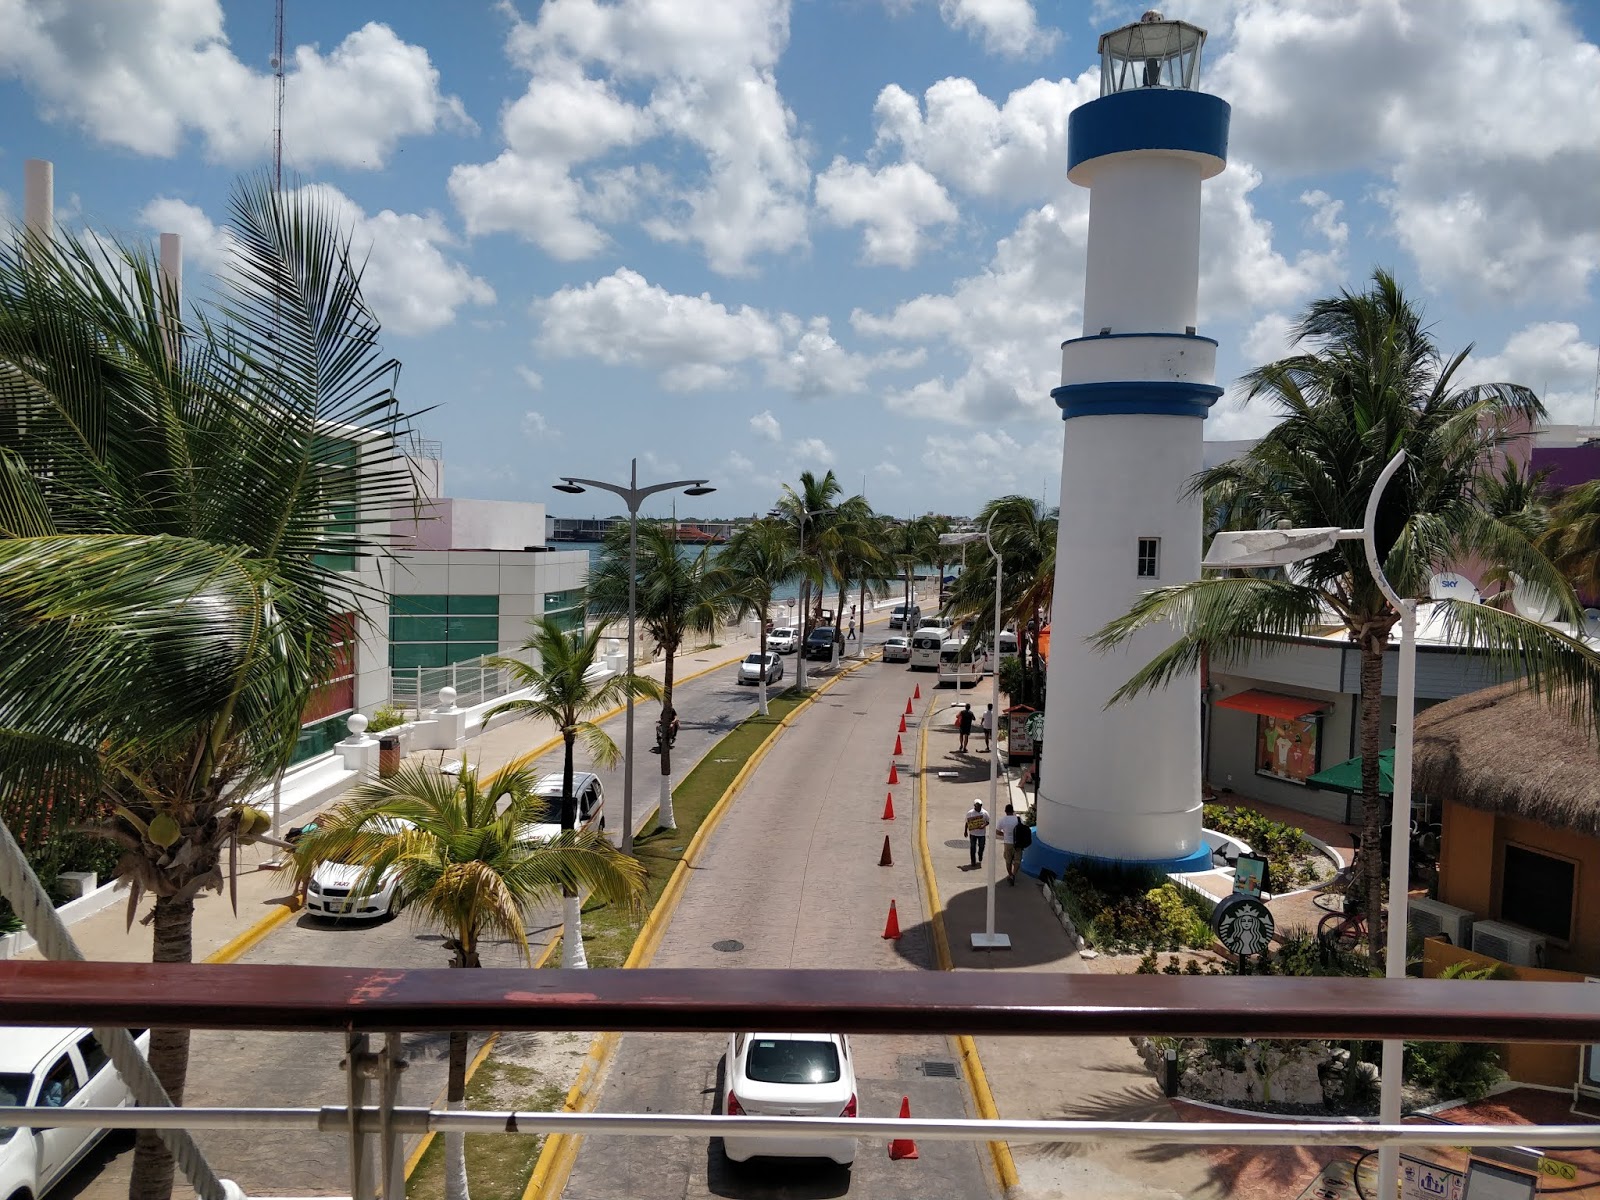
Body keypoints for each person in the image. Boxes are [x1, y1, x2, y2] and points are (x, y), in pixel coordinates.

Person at [995, 803, 1021, 885]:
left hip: (1008, 843)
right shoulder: (1018, 819)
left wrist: (1005, 834)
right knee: (1017, 860)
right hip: (1018, 842)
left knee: (1008, 860)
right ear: (1013, 811)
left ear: (1005, 811)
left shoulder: (1002, 820)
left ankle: (1010, 874)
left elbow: (997, 832)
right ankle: (1014, 874)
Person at [963, 800, 990, 868]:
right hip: (973, 834)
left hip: (981, 834)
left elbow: (988, 821)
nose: (978, 807)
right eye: (977, 806)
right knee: (972, 847)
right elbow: (967, 822)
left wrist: (983, 825)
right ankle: (973, 861)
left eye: (979, 806)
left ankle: (980, 855)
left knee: (981, 846)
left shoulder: (985, 813)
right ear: (974, 806)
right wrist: (965, 831)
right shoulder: (970, 813)